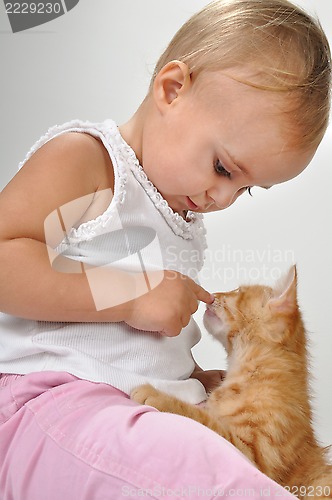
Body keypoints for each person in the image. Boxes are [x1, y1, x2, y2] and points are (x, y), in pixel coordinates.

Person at [0, 0, 330, 498]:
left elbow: (140, 348)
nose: (223, 198)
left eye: (247, 189)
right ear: (172, 90)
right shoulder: (90, 162)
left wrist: (195, 376)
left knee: (271, 466)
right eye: (223, 168)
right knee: (205, 474)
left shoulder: (184, 219)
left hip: (130, 408)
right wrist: (131, 295)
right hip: (51, 401)